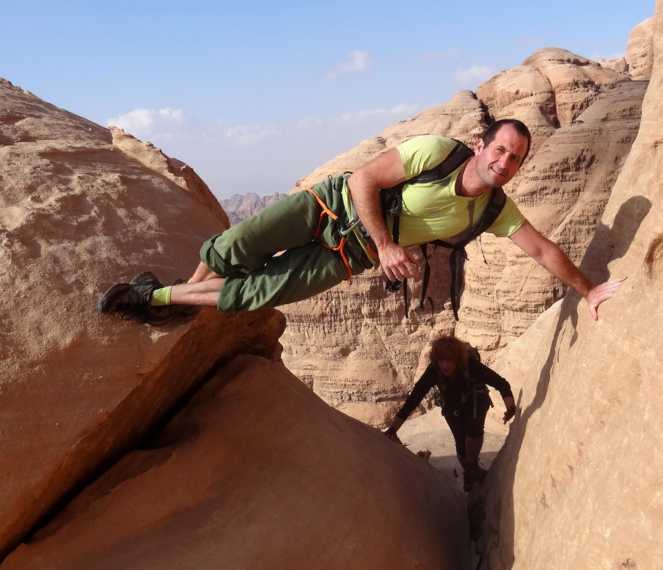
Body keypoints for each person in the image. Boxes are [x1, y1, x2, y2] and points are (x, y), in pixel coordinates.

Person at [97, 119, 625, 323]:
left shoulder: (493, 210)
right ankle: (186, 295)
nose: (504, 164)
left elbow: (542, 250)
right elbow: (362, 181)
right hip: (330, 208)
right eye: (501, 150)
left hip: (347, 256)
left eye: (515, 160)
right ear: (482, 144)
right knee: (235, 247)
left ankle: (156, 298)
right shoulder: (436, 152)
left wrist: (588, 289)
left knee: (255, 293)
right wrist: (388, 246)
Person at [384, 335, 515, 491]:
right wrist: (393, 429)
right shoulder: (434, 370)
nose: (444, 365)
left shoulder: (470, 365)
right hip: (452, 403)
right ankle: (469, 473)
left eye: (449, 360)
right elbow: (414, 399)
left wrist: (510, 407)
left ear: (457, 360)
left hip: (475, 398)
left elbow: (501, 384)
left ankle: (472, 466)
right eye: (441, 360)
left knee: (474, 427)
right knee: (460, 443)